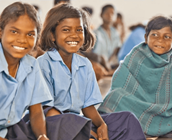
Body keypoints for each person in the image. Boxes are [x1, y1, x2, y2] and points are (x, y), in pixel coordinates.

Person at [0, 2, 91, 140]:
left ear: (37, 36)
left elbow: (36, 113)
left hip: (10, 131)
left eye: (30, 34)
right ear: (0, 31)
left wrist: (42, 136)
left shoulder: (31, 65)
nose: (22, 40)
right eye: (14, 32)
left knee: (64, 124)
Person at [37, 3, 146, 140]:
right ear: (52, 35)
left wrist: (101, 125)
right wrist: (83, 130)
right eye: (66, 30)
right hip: (53, 123)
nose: (74, 35)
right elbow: (46, 110)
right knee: (71, 120)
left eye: (79, 30)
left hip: (80, 122)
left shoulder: (85, 65)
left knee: (127, 119)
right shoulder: (43, 64)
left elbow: (87, 107)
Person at [98, 15, 172, 138]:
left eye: (166, 37)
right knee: (115, 95)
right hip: (135, 102)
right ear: (146, 38)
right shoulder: (137, 53)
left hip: (166, 109)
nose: (160, 40)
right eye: (155, 35)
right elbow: (121, 78)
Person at [93, 4, 122, 68]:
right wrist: (102, 60)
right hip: (97, 65)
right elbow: (87, 53)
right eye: (107, 13)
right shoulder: (95, 33)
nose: (110, 15)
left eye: (112, 13)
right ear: (101, 15)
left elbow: (116, 50)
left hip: (109, 65)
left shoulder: (116, 33)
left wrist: (108, 63)